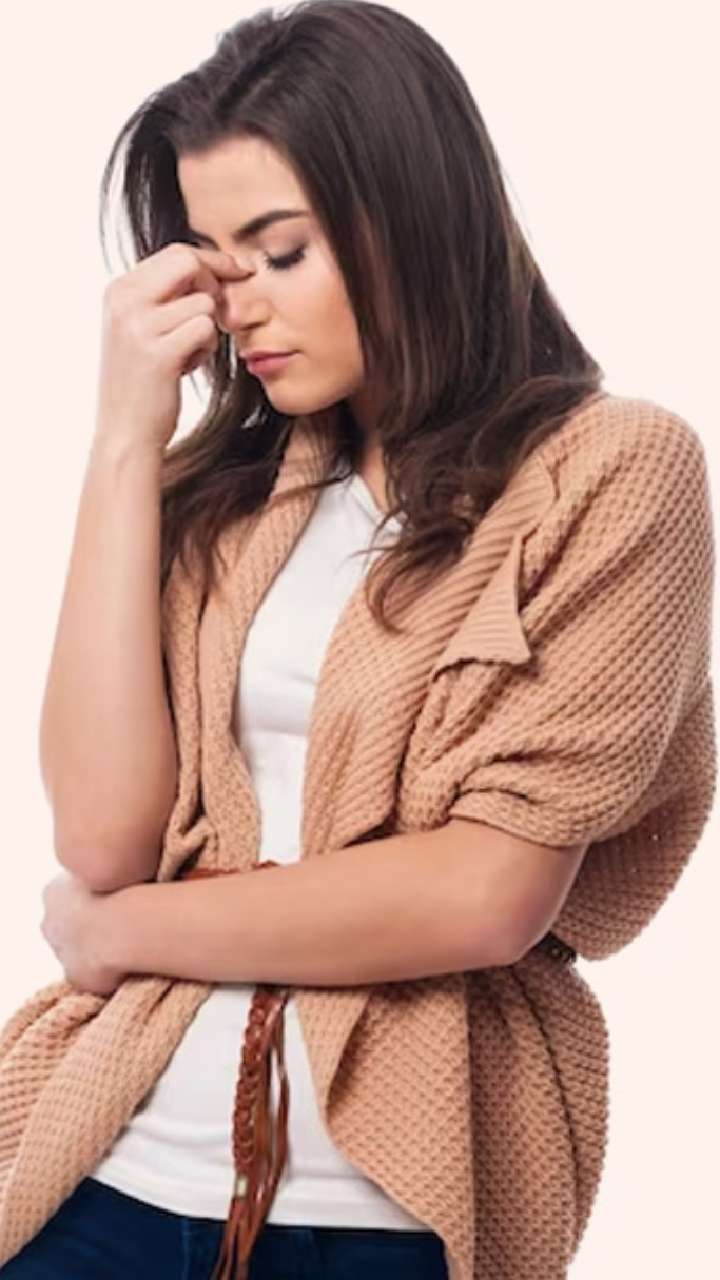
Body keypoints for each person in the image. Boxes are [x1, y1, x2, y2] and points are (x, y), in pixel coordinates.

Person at [1, 3, 715, 1279]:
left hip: (380, 1209)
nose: (241, 308)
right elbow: (102, 839)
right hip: (106, 1169)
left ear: (415, 216)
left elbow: (485, 894)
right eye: (214, 263)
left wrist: (119, 933)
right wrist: (122, 445)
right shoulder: (213, 495)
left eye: (282, 251)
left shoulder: (613, 471)